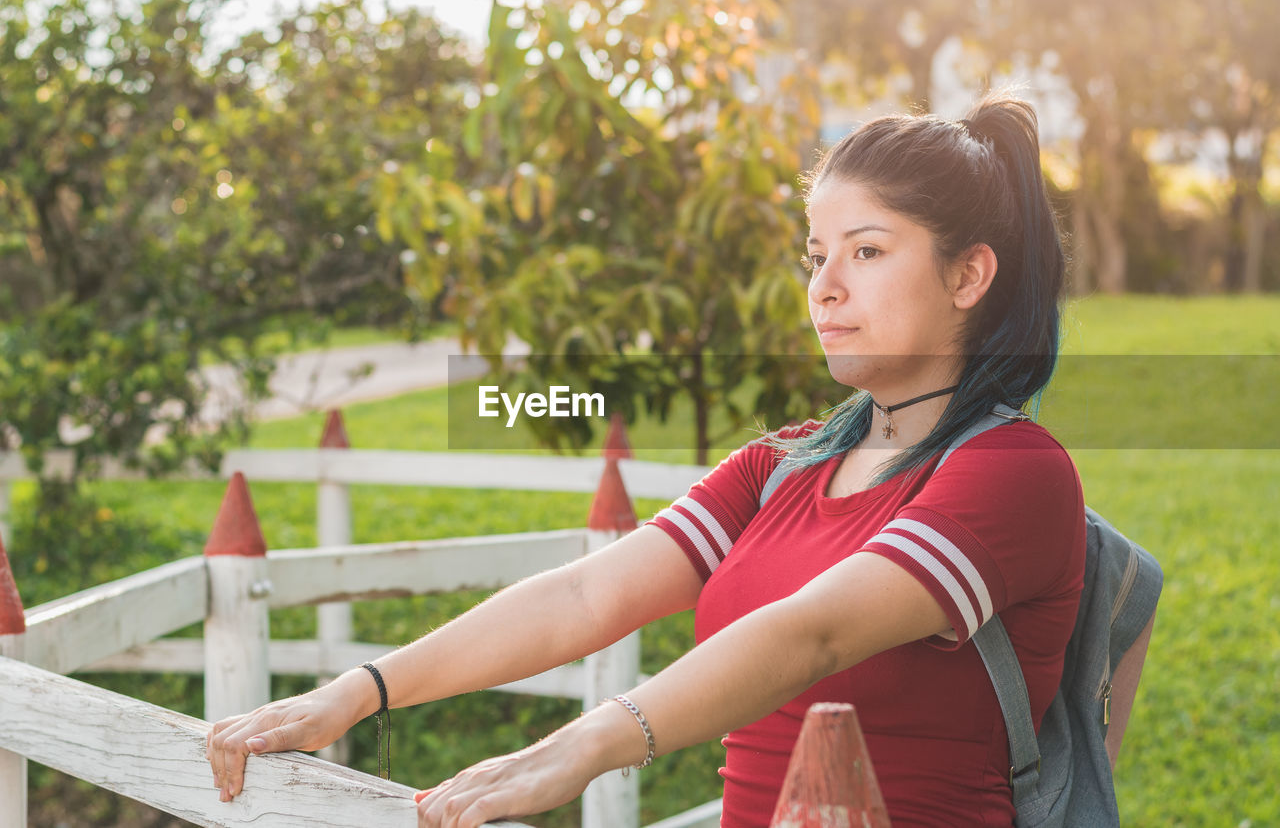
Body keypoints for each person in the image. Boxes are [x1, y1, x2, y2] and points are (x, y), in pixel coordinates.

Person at [207, 89, 1086, 828]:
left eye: (866, 251)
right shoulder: (780, 466)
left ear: (969, 276)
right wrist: (358, 691)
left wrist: (579, 748)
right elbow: (586, 594)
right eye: (817, 256)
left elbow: (810, 632)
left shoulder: (1016, 471)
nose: (824, 286)